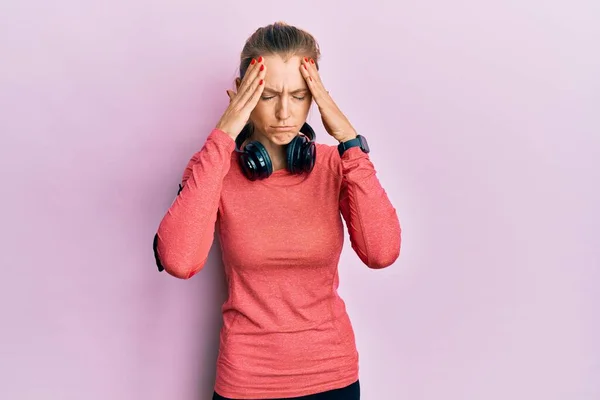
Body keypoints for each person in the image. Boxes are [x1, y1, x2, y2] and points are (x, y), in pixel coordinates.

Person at [153, 21, 401, 400]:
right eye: (267, 96)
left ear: (316, 97)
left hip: (331, 376)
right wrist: (223, 137)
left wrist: (350, 142)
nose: (285, 112)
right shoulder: (214, 170)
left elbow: (381, 253)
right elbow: (179, 260)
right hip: (245, 380)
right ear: (240, 96)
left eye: (299, 96)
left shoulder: (337, 165)